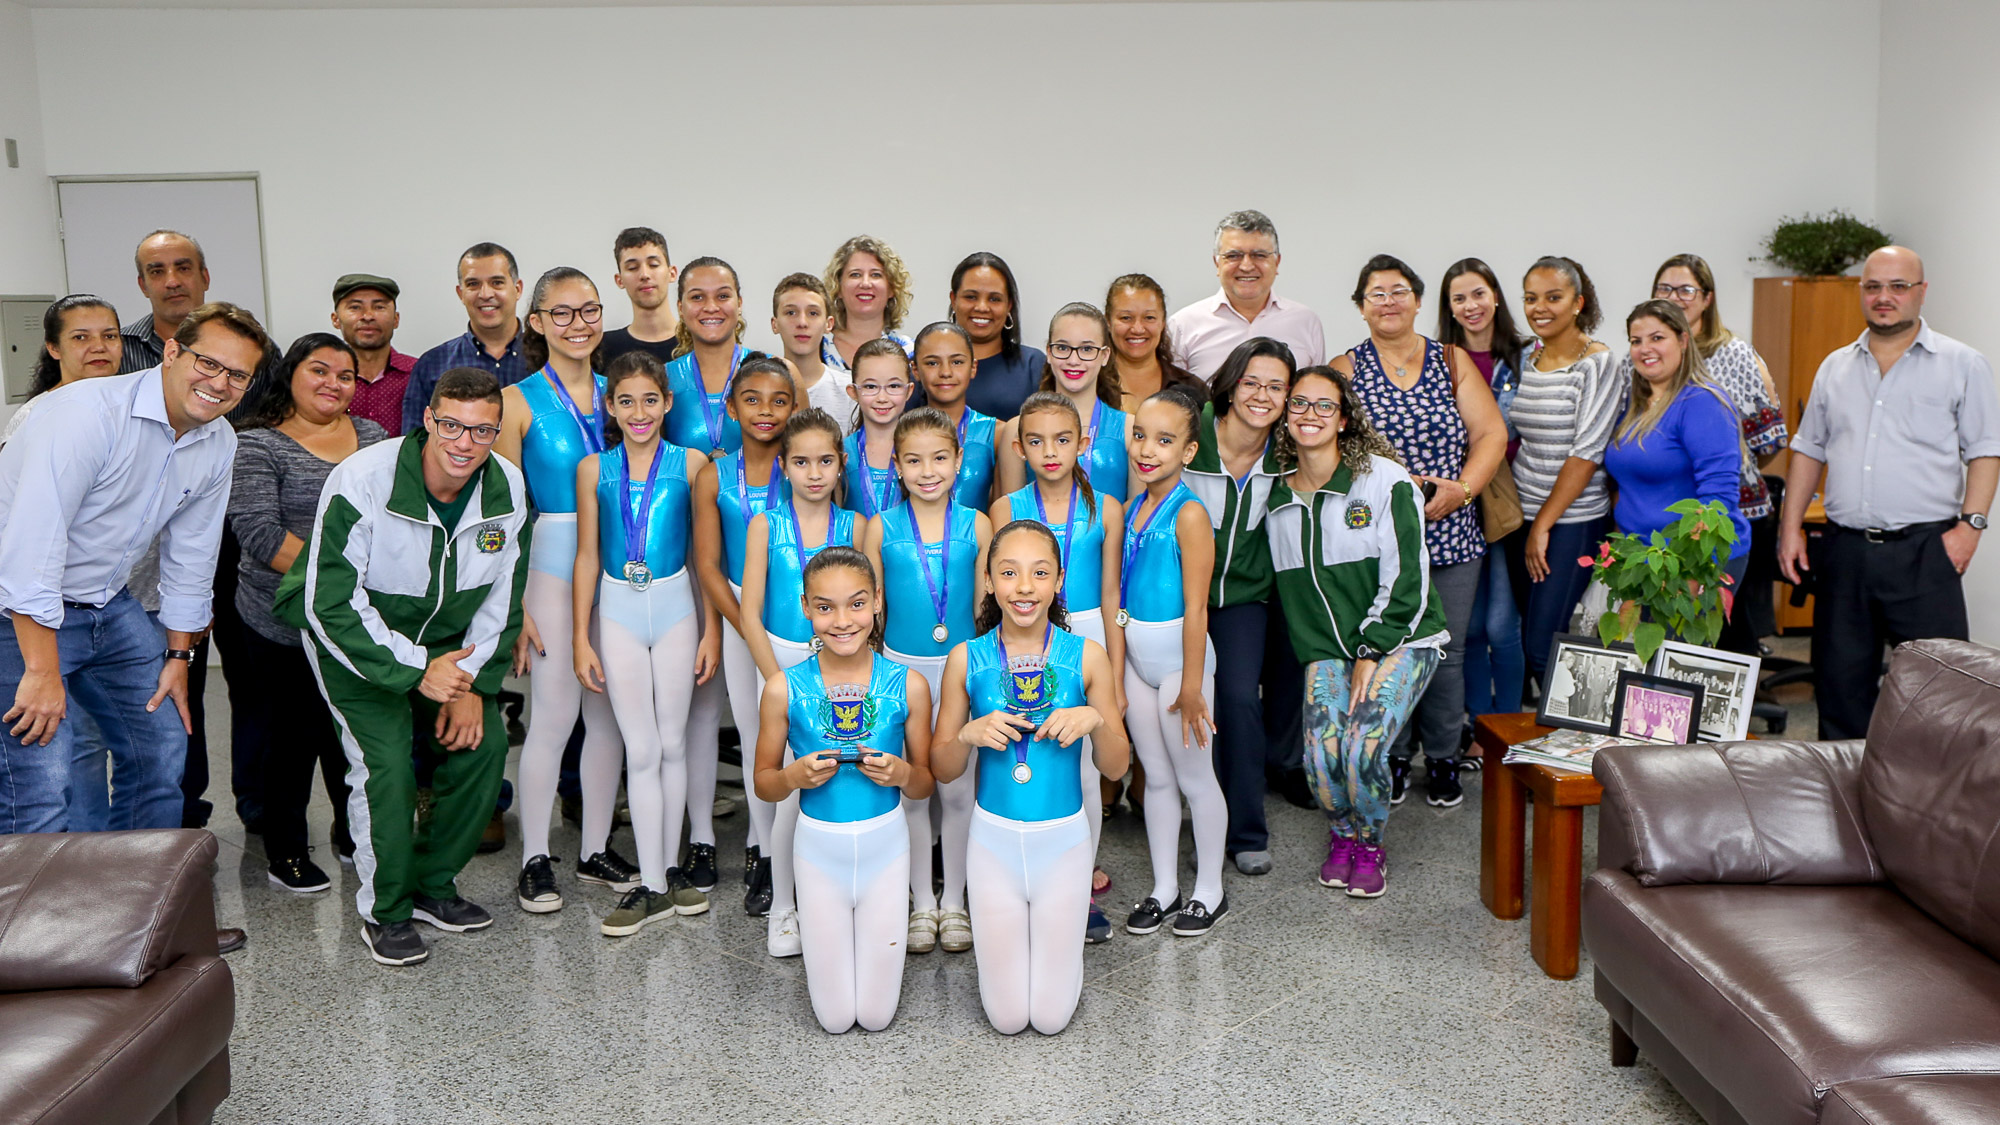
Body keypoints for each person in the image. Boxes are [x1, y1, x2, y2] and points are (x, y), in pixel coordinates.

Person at [0, 301, 266, 837]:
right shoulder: (84, 415)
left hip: (109, 603)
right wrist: (42, 672)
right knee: (41, 781)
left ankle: (139, 891)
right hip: (16, 613)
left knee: (163, 746)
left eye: (238, 375)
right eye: (208, 363)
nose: (220, 383)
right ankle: (36, 896)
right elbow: (31, 553)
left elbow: (192, 558)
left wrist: (178, 657)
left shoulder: (219, 440)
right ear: (172, 352)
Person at [292, 367, 530, 966]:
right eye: (451, 425)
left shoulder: (507, 487)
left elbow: (503, 598)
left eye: (482, 431)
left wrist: (472, 686)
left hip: (449, 646)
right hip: (354, 643)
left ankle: (432, 884)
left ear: (496, 431)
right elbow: (330, 604)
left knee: (484, 746)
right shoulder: (362, 479)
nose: (464, 443)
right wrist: (421, 669)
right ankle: (388, 910)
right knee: (387, 768)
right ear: (428, 419)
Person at [1779, 246, 2000, 739]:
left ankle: (1931, 789)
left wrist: (1970, 529)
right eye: (1874, 286)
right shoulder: (1834, 367)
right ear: (1861, 292)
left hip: (1926, 552)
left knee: (1939, 694)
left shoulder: (1963, 364)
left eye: (1898, 286)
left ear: (1921, 292)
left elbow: (1986, 452)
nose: (1885, 297)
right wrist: (1790, 528)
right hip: (1846, 552)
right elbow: (1809, 451)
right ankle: (1847, 785)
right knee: (1839, 689)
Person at [931, 519, 1128, 1035]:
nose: (1024, 587)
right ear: (988, 581)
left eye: (1040, 573)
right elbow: (943, 768)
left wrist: (1096, 720)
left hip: (1063, 843)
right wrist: (967, 734)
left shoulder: (1087, 656)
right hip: (992, 843)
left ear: (1059, 580)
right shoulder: (965, 659)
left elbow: (1116, 767)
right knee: (1007, 1018)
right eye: (1009, 573)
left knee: (1050, 1018)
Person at [1332, 254, 1505, 809]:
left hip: (1450, 531)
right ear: (1361, 307)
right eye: (1377, 293)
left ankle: (1446, 755)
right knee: (1389, 648)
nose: (1389, 302)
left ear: (1418, 300)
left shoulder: (1451, 360)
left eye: (1399, 291)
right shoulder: (1346, 369)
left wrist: (1464, 490)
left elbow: (1490, 434)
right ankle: (1396, 755)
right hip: (1379, 541)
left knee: (1446, 653)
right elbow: (1329, 446)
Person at [1268, 366, 1447, 898]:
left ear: (1344, 419)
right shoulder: (1275, 497)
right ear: (1285, 415)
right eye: (1299, 403)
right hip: (1328, 648)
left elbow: (1408, 577)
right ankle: (1343, 836)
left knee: (1362, 748)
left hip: (1403, 638)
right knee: (1321, 755)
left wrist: (1372, 647)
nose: (1310, 414)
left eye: (1325, 405)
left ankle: (1370, 845)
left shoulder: (1385, 480)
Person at [493, 267, 635, 914]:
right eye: (562, 312)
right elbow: (500, 513)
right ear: (537, 322)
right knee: (554, 715)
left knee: (608, 714)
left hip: (620, 562)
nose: (579, 324)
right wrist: (516, 603)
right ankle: (534, 856)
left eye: (589, 310)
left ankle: (595, 848)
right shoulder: (517, 401)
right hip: (551, 564)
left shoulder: (621, 392)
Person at [229, 332, 387, 891]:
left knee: (348, 733)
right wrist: (339, 576)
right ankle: (286, 852)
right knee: (290, 738)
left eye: (345, 376)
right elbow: (259, 533)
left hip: (355, 618)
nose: (333, 384)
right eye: (319, 370)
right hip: (281, 620)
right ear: (291, 375)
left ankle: (352, 834)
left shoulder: (374, 437)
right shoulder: (257, 445)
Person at [752, 547, 933, 1034]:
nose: (842, 621)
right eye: (825, 607)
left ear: (877, 601)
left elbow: (924, 784)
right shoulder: (782, 689)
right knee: (833, 1019)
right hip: (818, 851)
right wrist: (792, 777)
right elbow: (764, 784)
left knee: (875, 1016)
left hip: (886, 848)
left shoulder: (909, 685)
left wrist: (901, 774)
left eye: (856, 604)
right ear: (806, 607)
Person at [571, 351, 715, 933]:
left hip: (677, 608)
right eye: (626, 401)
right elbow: (587, 556)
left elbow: (703, 558)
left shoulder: (692, 464)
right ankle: (651, 884)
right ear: (609, 405)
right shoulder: (593, 470)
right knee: (642, 746)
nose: (639, 412)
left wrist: (711, 630)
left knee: (674, 743)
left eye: (650, 400)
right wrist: (581, 637)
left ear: (668, 402)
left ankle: (669, 870)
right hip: (619, 611)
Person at [990, 391, 1127, 941]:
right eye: (1037, 441)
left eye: (1063, 440)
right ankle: (1013, 877)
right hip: (1027, 635)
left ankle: (1079, 886)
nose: (1050, 452)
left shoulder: (1107, 507)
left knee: (1087, 768)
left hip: (1087, 633)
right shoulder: (1005, 509)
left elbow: (1112, 595)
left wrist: (1115, 676)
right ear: (1019, 448)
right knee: (1029, 752)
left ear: (1083, 443)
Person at [861, 407, 992, 955]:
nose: (927, 471)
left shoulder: (978, 525)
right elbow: (871, 611)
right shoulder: (881, 527)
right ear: (896, 465)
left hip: (961, 669)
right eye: (913, 461)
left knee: (958, 790)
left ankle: (955, 900)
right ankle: (920, 903)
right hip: (903, 670)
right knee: (912, 789)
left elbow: (987, 611)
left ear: (959, 460)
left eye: (939, 458)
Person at [739, 408, 861, 956]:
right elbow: (749, 612)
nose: (815, 473)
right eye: (802, 462)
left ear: (841, 464)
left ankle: (834, 892)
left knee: (834, 775)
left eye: (825, 461)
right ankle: (783, 906)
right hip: (781, 664)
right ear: (783, 466)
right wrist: (780, 684)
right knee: (788, 785)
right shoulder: (765, 525)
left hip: (840, 662)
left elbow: (865, 608)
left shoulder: (855, 526)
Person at [1181, 337, 1294, 877]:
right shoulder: (1190, 435)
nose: (1262, 395)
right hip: (1178, 596)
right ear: (1230, 384)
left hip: (1243, 598)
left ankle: (1246, 830)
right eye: (1251, 382)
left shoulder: (1288, 452)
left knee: (1238, 698)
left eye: (1276, 386)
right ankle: (1198, 817)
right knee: (1187, 703)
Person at [691, 356, 799, 912]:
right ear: (731, 408)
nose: (765, 411)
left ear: (795, 408)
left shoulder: (805, 465)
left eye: (779, 400)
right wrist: (745, 627)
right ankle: (763, 849)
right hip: (742, 618)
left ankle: (796, 846)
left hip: (801, 617)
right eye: (752, 399)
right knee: (759, 735)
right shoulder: (714, 476)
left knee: (800, 734)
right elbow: (708, 566)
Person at [1116, 387, 1225, 936]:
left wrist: (1191, 685)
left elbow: (1198, 607)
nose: (1147, 449)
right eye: (1140, 436)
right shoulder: (1132, 508)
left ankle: (1210, 891)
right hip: (1138, 663)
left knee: (1195, 780)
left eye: (1164, 440)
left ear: (1188, 451)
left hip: (1182, 664)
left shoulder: (1190, 514)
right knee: (1155, 778)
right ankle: (1165, 887)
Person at [1645, 254, 1789, 651]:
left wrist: (1729, 464)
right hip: (1666, 518)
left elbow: (1769, 440)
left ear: (1707, 298)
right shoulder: (1645, 355)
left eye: (1686, 290)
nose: (1674, 297)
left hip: (1731, 515)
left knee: (1727, 632)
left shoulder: (1735, 354)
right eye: (1664, 288)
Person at [1507, 256, 1620, 689]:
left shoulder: (1597, 362)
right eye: (1531, 298)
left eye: (1553, 297)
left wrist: (1543, 526)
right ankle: (1546, 726)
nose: (1540, 308)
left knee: (1543, 646)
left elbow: (1586, 455)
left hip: (1571, 521)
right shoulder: (1528, 358)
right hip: (1522, 514)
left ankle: (1575, 727)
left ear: (1578, 302)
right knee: (1525, 640)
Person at [1437, 258, 1528, 724]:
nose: (1470, 305)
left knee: (1501, 626)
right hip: (1454, 507)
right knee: (1468, 628)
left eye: (1478, 294)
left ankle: (1507, 725)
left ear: (1495, 296)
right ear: (1449, 308)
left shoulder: (1527, 358)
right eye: (1459, 298)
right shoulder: (1438, 361)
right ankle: (1478, 725)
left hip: (1506, 505)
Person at [1604, 301, 1752, 588]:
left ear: (1683, 341)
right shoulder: (1635, 406)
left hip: (1694, 560)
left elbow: (1718, 497)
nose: (1645, 349)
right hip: (1644, 557)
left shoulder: (1702, 402)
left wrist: (1692, 574)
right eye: (1636, 341)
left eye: (1657, 338)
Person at [1166, 211, 1326, 380]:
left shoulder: (1305, 322)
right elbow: (1173, 394)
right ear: (1217, 263)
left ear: (1277, 262)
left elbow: (1315, 392)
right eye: (1233, 256)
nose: (1246, 266)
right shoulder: (1183, 326)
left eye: (1259, 255)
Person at [997, 303, 1130, 502]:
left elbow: (1139, 514)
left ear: (1104, 356)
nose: (1073, 360)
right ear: (1049, 353)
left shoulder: (1129, 429)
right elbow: (1009, 513)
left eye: (1087, 349)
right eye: (1062, 348)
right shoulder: (1015, 429)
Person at [400, 243, 529, 436]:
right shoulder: (432, 365)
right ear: (461, 293)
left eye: (497, 282)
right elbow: (414, 443)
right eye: (473, 284)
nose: (485, 294)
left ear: (517, 289)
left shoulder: (549, 358)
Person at [2, 294, 122, 445]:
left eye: (110, 336)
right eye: (80, 337)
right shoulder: (33, 416)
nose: (99, 347)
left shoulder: (135, 403)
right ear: (54, 348)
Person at [664, 257, 753, 458]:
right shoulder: (662, 379)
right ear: (681, 308)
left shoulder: (776, 373)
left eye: (722, 296)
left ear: (739, 303)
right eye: (697, 297)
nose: (711, 307)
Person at [910, 321, 1000, 511]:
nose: (945, 372)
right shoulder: (903, 433)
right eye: (932, 363)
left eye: (957, 362)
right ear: (915, 370)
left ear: (973, 367)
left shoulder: (998, 433)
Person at [949, 252, 1045, 421]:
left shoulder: (1033, 365)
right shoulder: (930, 364)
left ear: (1009, 305)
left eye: (994, 299)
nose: (982, 307)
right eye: (971, 297)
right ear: (953, 299)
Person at [1105, 274, 1207, 412]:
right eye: (1126, 318)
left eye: (1149, 317)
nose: (1138, 329)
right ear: (1108, 321)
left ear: (1163, 322)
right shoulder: (1090, 383)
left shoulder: (1193, 389)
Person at [839, 339, 915, 519]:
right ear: (853, 392)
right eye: (870, 386)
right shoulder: (840, 452)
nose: (882, 397)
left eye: (894, 386)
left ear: (909, 391)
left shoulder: (924, 451)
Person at [331, 274, 414, 436]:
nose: (368, 316)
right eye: (355, 307)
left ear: (396, 319)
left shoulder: (419, 373)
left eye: (379, 307)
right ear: (336, 319)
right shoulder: (323, 380)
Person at [821, 235, 915, 374]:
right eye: (855, 275)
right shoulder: (815, 350)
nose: (865, 283)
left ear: (892, 288)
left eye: (876, 275)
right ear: (838, 287)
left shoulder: (911, 353)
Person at [119, 230, 209, 374]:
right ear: (143, 286)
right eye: (157, 272)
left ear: (205, 278)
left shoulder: (242, 344)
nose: (172, 282)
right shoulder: (118, 350)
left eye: (183, 269)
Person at [771, 273, 850, 418]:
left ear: (828, 324)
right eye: (791, 312)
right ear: (775, 324)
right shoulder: (758, 389)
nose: (802, 323)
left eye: (813, 313)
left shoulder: (849, 392)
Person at [601, 227, 681, 367]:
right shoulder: (603, 348)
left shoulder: (697, 341)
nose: (644, 275)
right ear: (619, 280)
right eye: (632, 268)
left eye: (653, 265)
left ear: (672, 273)